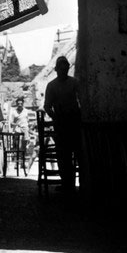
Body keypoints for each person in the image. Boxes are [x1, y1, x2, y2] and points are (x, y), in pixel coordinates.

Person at [43, 55, 81, 194]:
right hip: (61, 124)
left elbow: (81, 100)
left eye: (65, 68)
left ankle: (74, 183)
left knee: (76, 153)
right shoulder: (52, 86)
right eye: (61, 68)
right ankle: (66, 183)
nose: (63, 70)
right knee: (63, 155)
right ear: (57, 69)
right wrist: (56, 117)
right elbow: (47, 106)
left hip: (74, 122)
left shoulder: (74, 83)